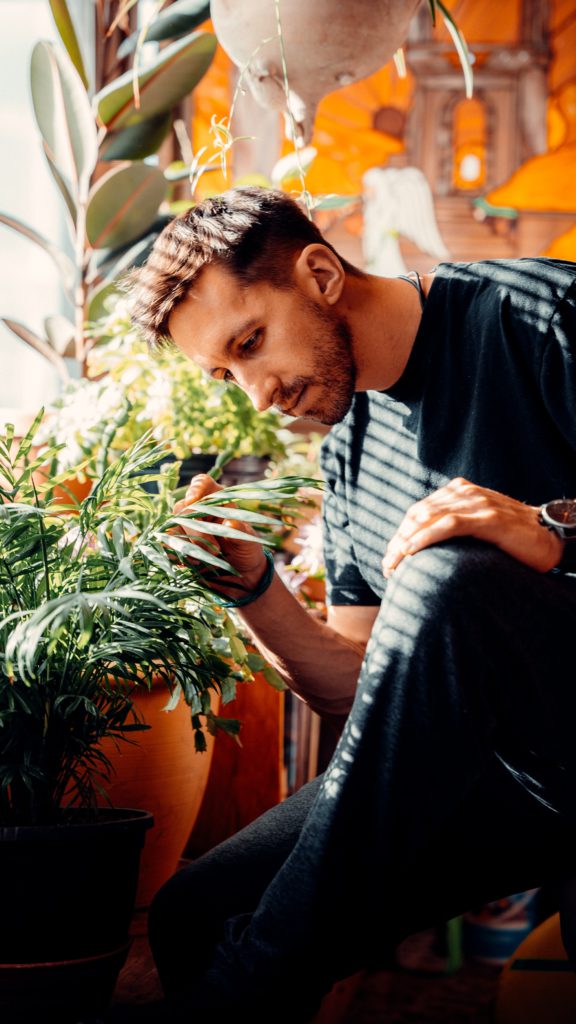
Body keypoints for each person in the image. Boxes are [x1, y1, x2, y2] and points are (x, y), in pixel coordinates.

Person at [106, 186, 576, 1022]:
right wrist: (252, 589)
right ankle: (244, 985)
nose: (255, 394)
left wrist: (551, 533)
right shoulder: (352, 448)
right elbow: (373, 694)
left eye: (250, 343)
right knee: (192, 914)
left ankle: (251, 990)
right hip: (511, 788)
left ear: (320, 271)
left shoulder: (540, 314)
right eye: (225, 373)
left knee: (447, 573)